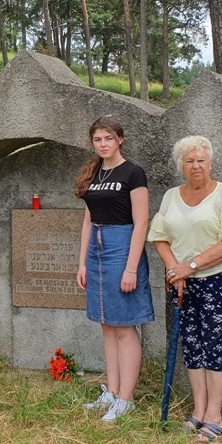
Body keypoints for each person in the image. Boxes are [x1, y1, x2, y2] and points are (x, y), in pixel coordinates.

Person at [148, 136, 222, 442]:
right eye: (189, 161)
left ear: (211, 163)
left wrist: (190, 266)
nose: (196, 166)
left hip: (220, 280)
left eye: (201, 160)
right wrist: (174, 270)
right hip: (183, 283)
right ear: (181, 166)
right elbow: (159, 237)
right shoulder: (171, 196)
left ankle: (214, 416)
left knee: (217, 347)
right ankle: (198, 410)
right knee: (192, 346)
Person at [74, 116, 154, 422]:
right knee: (106, 325)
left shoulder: (133, 173)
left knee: (123, 326)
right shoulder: (93, 172)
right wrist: (82, 262)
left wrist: (131, 268)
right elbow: (87, 220)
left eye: (108, 138)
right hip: (96, 250)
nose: (103, 144)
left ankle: (125, 399)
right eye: (97, 139)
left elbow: (141, 222)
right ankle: (112, 391)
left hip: (122, 247)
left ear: (120, 140)